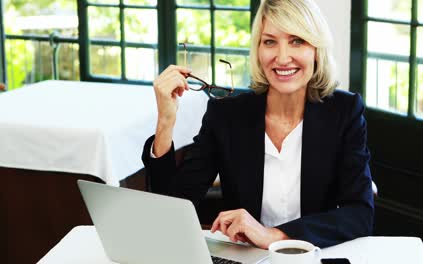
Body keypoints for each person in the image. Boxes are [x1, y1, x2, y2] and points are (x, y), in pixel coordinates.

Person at [142, 0, 374, 249]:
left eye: (297, 41)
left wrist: (274, 235)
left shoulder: (344, 111)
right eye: (270, 41)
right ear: (258, 50)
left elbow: (360, 214)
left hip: (313, 255)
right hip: (246, 257)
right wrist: (166, 121)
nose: (282, 57)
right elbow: (173, 210)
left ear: (316, 50)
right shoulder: (226, 115)